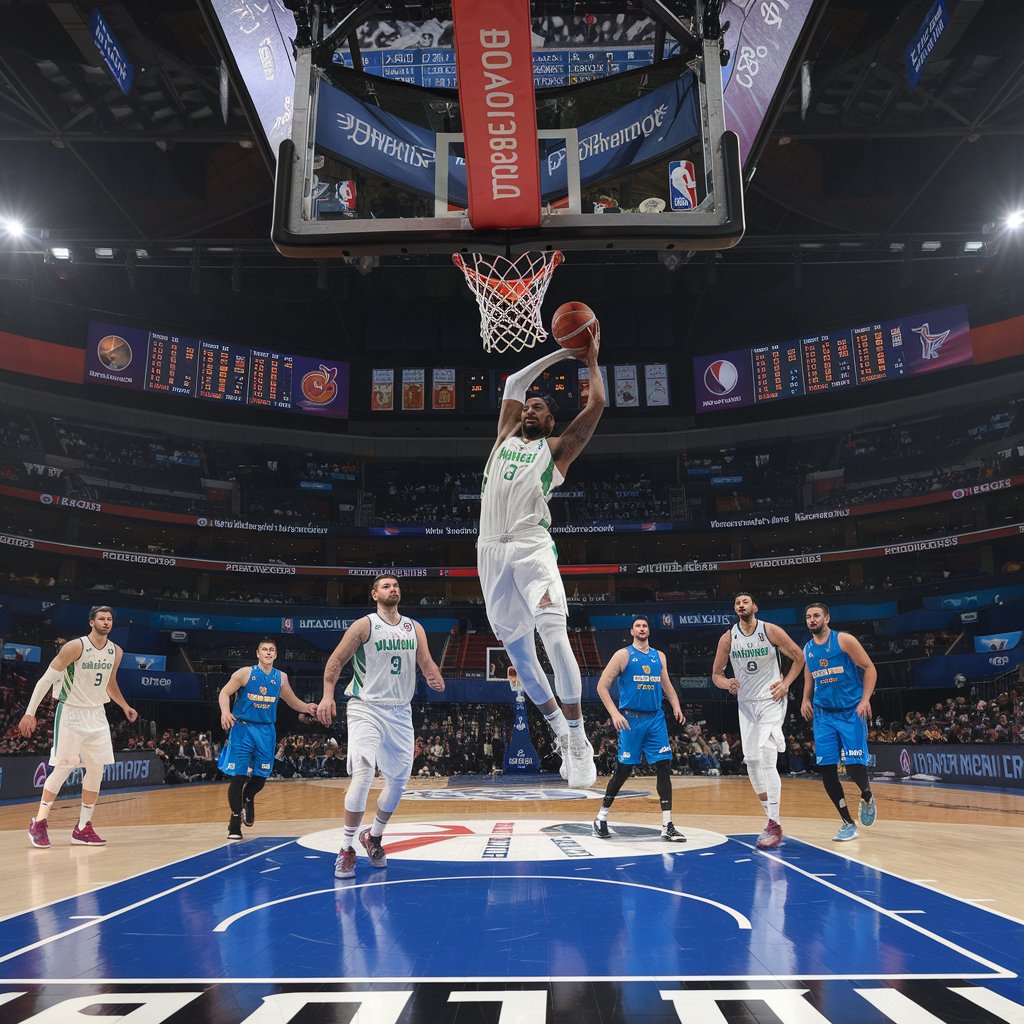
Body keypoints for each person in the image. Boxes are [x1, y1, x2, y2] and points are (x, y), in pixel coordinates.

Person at [477, 321, 606, 788]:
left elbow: (596, 405)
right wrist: (559, 353)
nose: (529, 408)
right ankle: (556, 728)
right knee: (523, 661)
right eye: (527, 407)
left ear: (551, 422)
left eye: (538, 407)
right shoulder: (502, 442)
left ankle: (576, 736)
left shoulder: (556, 451)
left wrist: (588, 359)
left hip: (532, 549)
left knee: (555, 638)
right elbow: (513, 383)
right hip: (489, 554)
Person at [317, 574, 444, 879]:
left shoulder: (414, 628)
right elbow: (335, 662)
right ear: (375, 594)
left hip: (400, 712)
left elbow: (426, 662)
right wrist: (326, 696)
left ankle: (373, 836)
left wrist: (434, 676)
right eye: (386, 586)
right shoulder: (364, 625)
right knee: (362, 774)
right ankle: (346, 848)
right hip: (366, 708)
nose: (393, 589)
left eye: (396, 586)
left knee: (398, 783)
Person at [18, 606, 138, 848]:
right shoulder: (75, 647)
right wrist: (29, 713)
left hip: (97, 714)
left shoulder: (117, 651)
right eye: (101, 619)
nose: (106, 623)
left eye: (110, 619)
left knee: (96, 771)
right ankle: (39, 822)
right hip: (71, 712)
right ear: (91, 622)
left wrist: (124, 706)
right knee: (63, 768)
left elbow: (109, 683)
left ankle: (83, 827)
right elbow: (46, 679)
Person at [711, 592, 806, 849]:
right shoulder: (728, 637)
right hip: (746, 706)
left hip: (771, 700)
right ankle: (770, 819)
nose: (741, 605)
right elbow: (716, 674)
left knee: (765, 754)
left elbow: (799, 656)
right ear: (735, 609)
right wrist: (726, 683)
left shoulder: (770, 630)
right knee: (751, 760)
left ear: (755, 606)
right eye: (737, 602)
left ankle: (774, 824)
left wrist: (786, 684)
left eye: (745, 602)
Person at [593, 617, 686, 841]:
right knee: (624, 770)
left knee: (663, 765)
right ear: (632, 631)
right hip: (630, 720)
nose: (642, 629)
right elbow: (601, 687)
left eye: (645, 626)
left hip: (655, 719)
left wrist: (676, 705)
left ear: (648, 630)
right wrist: (615, 714)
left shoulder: (658, 656)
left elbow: (667, 685)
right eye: (638, 626)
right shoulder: (623, 655)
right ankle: (601, 817)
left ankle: (667, 824)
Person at [218, 639, 318, 840]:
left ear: (276, 654)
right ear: (257, 653)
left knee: (261, 777)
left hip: (266, 731)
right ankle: (235, 822)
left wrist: (308, 707)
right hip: (243, 729)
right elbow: (224, 692)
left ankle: (248, 796)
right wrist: (225, 712)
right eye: (264, 649)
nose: (268, 652)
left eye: (272, 650)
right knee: (238, 776)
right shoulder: (244, 674)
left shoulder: (280, 678)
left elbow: (291, 700)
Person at [800, 602, 878, 841]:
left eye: (816, 616)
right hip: (823, 714)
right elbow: (810, 676)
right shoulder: (808, 648)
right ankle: (846, 821)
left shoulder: (844, 640)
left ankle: (866, 795)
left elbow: (869, 668)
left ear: (827, 618)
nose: (812, 620)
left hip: (850, 712)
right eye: (808, 616)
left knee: (854, 767)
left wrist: (865, 700)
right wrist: (805, 699)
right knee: (826, 768)